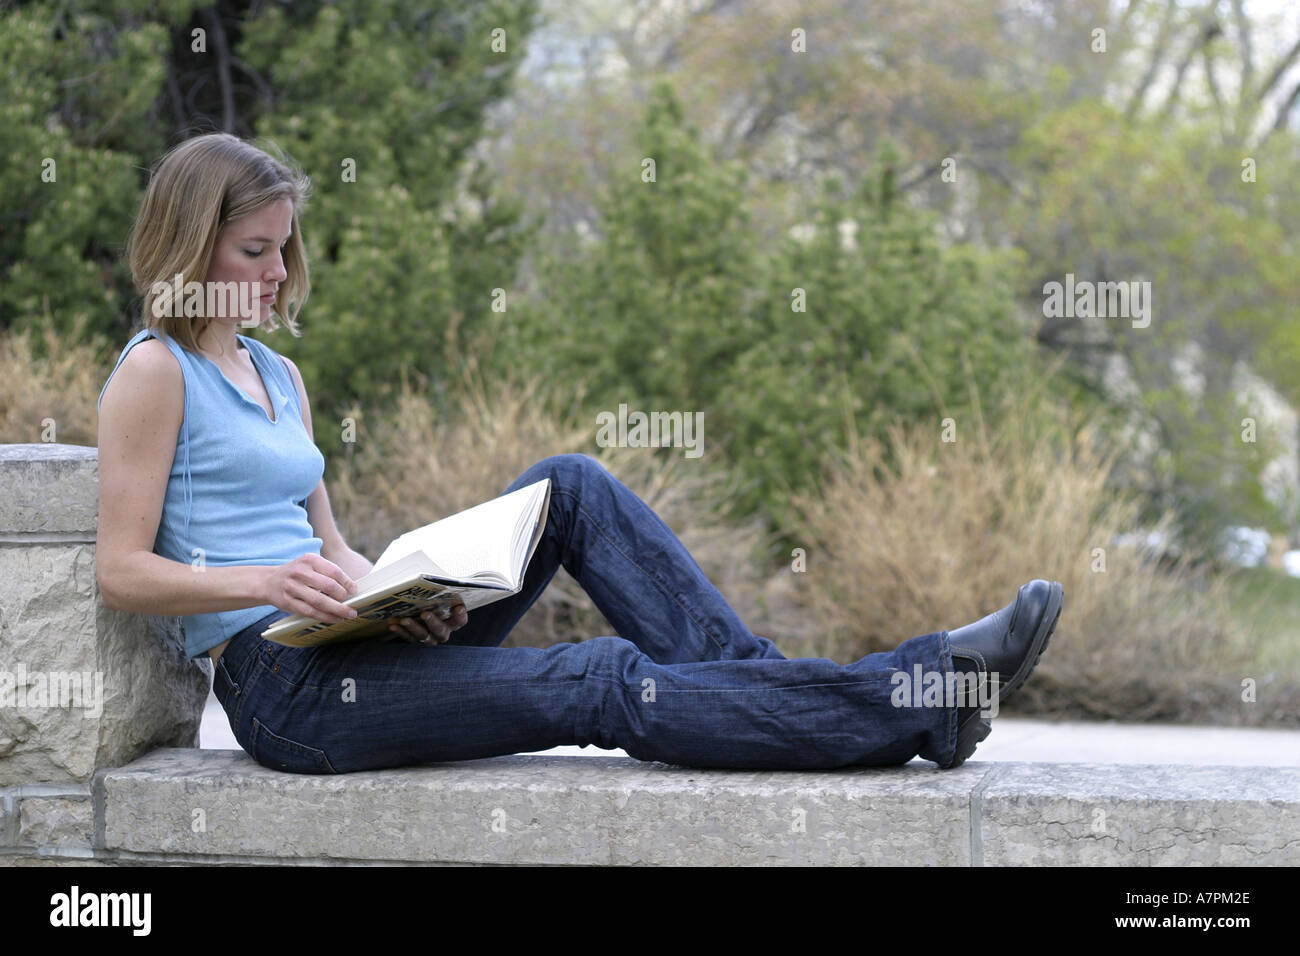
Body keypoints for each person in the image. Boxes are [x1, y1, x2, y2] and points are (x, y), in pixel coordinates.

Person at [96, 132, 1063, 776]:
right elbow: (122, 571)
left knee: (569, 485)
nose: (276, 275)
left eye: (283, 252)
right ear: (192, 245)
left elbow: (335, 547)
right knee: (597, 677)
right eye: (254, 252)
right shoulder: (157, 374)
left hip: (347, 641)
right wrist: (264, 579)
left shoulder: (279, 375)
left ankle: (780, 694)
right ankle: (916, 693)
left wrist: (406, 594)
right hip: (284, 694)